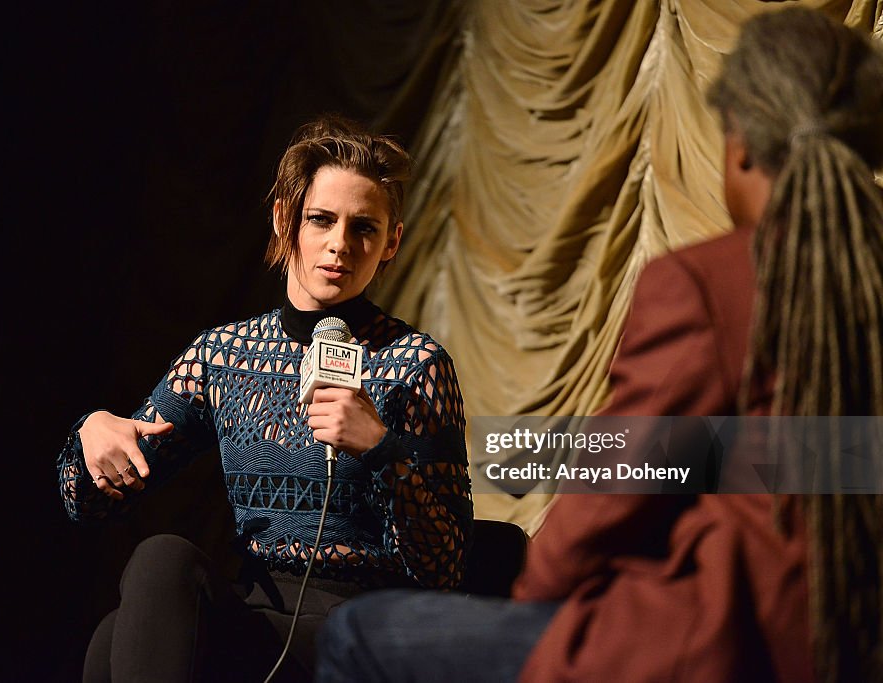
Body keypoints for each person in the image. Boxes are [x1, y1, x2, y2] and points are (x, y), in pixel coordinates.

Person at [315, 8, 883, 683]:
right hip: (846, 640)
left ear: (742, 146)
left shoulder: (707, 283)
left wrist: (533, 597)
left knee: (359, 633)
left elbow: (615, 490)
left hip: (716, 642)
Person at [57, 116, 473, 682]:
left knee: (118, 640)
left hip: (364, 629)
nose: (339, 245)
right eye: (321, 220)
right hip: (261, 613)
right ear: (284, 220)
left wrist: (380, 449)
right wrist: (93, 436)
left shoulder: (415, 364)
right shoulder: (224, 355)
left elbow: (446, 566)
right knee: (157, 566)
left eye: (364, 229)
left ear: (391, 242)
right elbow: (91, 501)